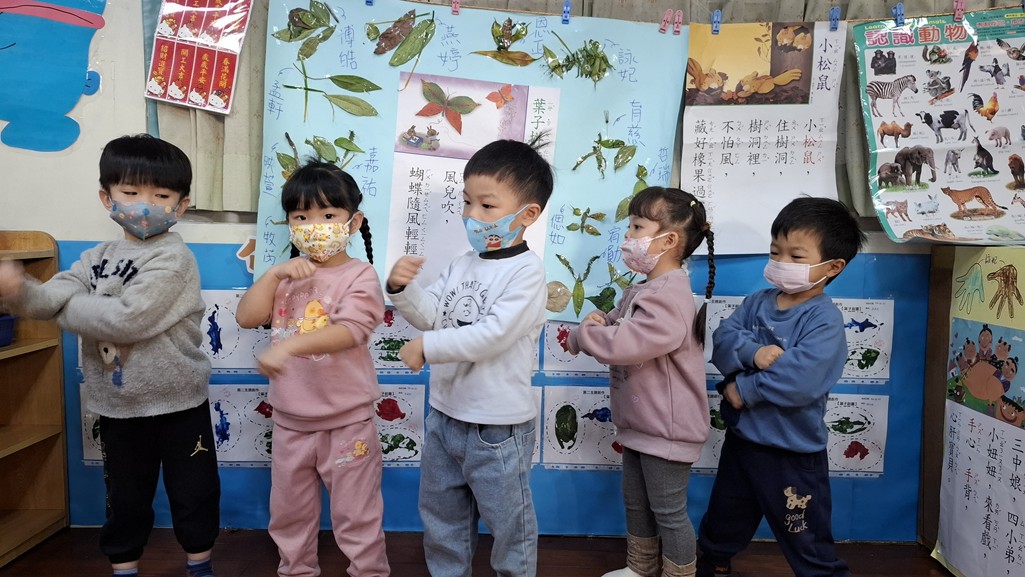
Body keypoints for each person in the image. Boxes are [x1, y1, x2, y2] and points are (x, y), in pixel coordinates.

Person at [0, 134, 220, 577]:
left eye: (161, 196)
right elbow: (48, 299)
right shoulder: (94, 258)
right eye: (131, 192)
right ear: (107, 198)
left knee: (194, 492)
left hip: (180, 401)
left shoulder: (175, 259)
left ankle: (200, 565)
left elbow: (128, 320)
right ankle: (124, 567)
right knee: (124, 498)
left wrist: (63, 311)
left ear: (180, 206)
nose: (145, 205)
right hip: (118, 406)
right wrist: (20, 291)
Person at [386, 137, 553, 577]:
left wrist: (428, 347)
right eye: (467, 202)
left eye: (487, 205)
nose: (471, 215)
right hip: (445, 416)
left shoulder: (527, 273)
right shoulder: (463, 263)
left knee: (509, 525)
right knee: (442, 518)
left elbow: (492, 336)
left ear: (528, 215)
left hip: (497, 428)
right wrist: (403, 290)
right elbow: (432, 315)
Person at [696, 197, 865, 577]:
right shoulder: (757, 302)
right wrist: (754, 353)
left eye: (796, 256)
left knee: (805, 535)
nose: (781, 262)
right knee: (725, 516)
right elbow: (722, 340)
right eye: (776, 252)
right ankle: (714, 563)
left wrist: (744, 390)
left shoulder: (824, 320)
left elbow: (801, 380)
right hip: (743, 441)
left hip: (792, 452)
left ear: (833, 266)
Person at [235, 162, 388, 577]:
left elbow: (351, 331)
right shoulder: (285, 278)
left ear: (354, 222)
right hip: (291, 421)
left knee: (356, 515)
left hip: (347, 422)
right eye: (301, 217)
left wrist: (290, 347)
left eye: (328, 214)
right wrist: (273, 274)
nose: (314, 225)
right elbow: (247, 318)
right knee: (289, 513)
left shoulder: (361, 275)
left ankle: (369, 571)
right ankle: (296, 569)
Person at [566, 187, 714, 577]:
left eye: (636, 227)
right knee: (636, 501)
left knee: (668, 511)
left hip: (667, 428)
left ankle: (678, 573)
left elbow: (626, 343)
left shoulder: (669, 294)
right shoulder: (646, 287)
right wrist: (601, 320)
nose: (627, 237)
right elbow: (619, 324)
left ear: (668, 241)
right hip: (643, 424)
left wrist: (585, 333)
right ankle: (641, 567)